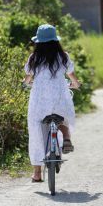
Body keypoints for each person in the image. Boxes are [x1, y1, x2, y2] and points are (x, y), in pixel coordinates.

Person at [23, 24, 81, 182]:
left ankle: (36, 173)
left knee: (36, 130)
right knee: (63, 115)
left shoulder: (34, 58)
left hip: (39, 102)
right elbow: (72, 77)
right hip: (58, 99)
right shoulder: (63, 57)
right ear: (56, 41)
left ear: (38, 42)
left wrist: (26, 82)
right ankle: (66, 137)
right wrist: (76, 84)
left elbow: (28, 79)